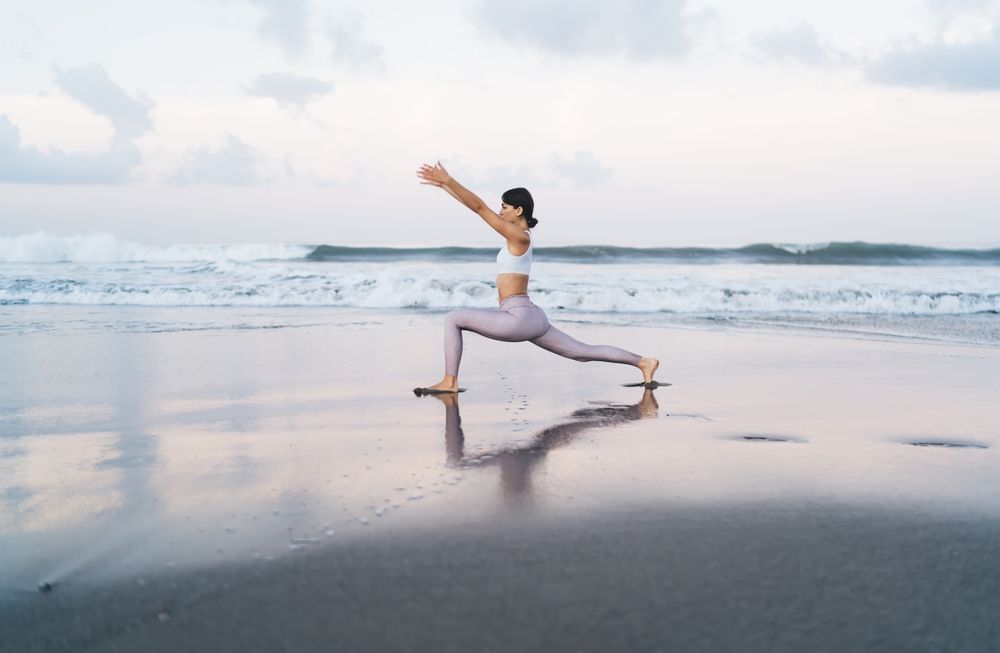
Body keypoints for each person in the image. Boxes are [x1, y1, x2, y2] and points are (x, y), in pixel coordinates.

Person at [414, 161, 659, 394]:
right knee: (581, 352)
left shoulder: (519, 237)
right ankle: (643, 362)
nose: (499, 211)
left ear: (518, 210)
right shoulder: (518, 236)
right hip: (530, 315)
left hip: (517, 318)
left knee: (454, 318)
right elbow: (475, 208)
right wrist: (445, 187)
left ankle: (450, 381)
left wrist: (449, 179)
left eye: (504, 207)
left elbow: (480, 208)